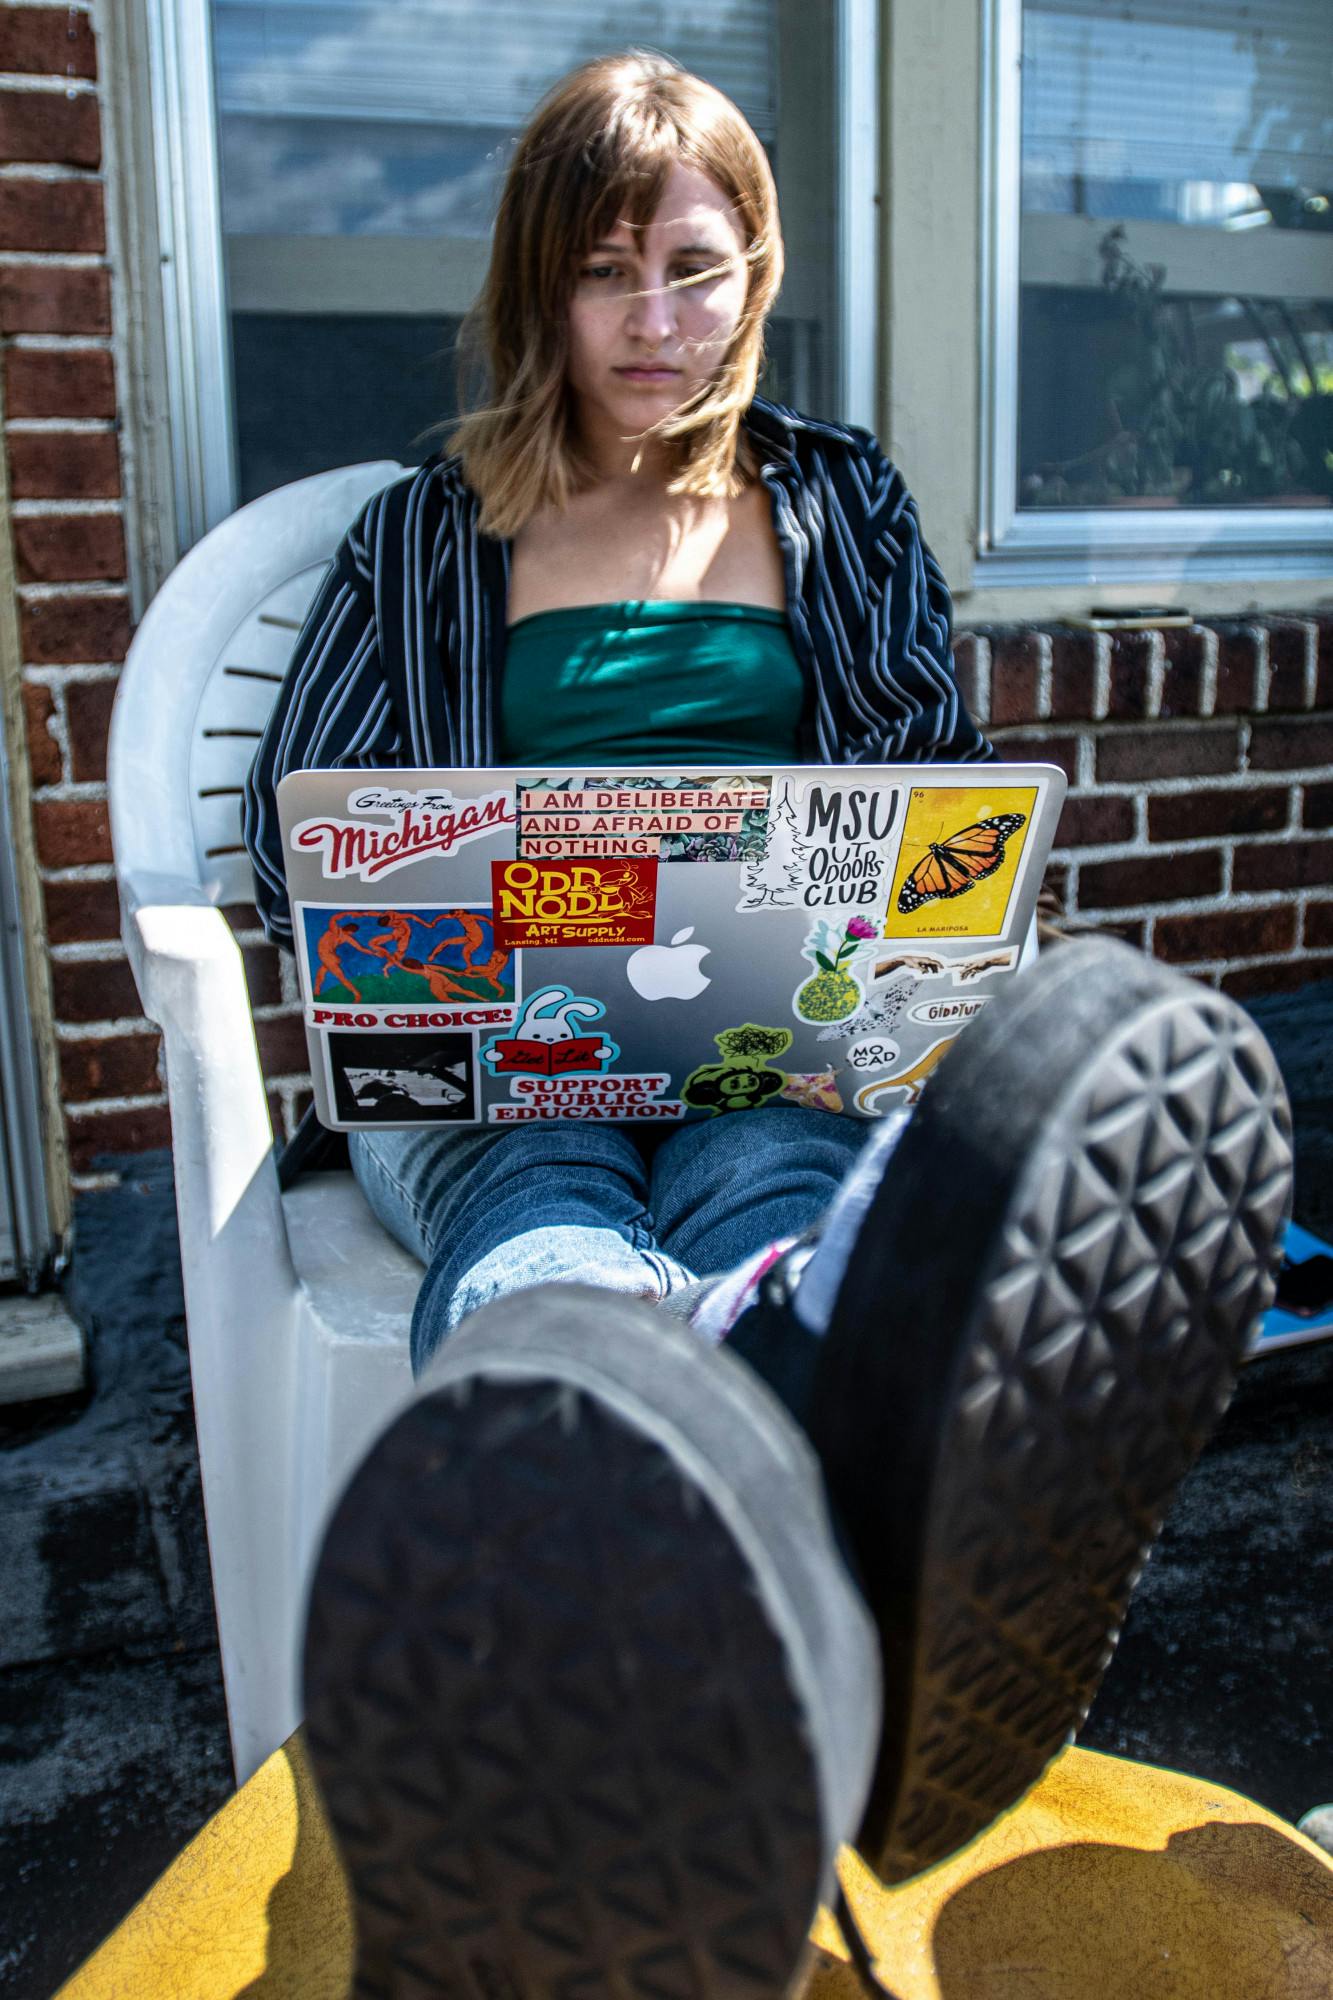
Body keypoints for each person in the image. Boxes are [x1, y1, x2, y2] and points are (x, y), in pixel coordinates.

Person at [242, 51, 1292, 1999]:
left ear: (758, 272)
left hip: (779, 1042)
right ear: (537, 287)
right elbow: (305, 835)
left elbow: (927, 809)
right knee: (538, 1198)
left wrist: (806, 901)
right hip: (493, 1065)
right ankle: (639, 1439)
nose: (656, 322)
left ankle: (739, 1534)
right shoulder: (417, 533)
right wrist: (524, 885)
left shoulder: (839, 503)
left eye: (699, 269)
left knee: (771, 1174)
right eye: (606, 273)